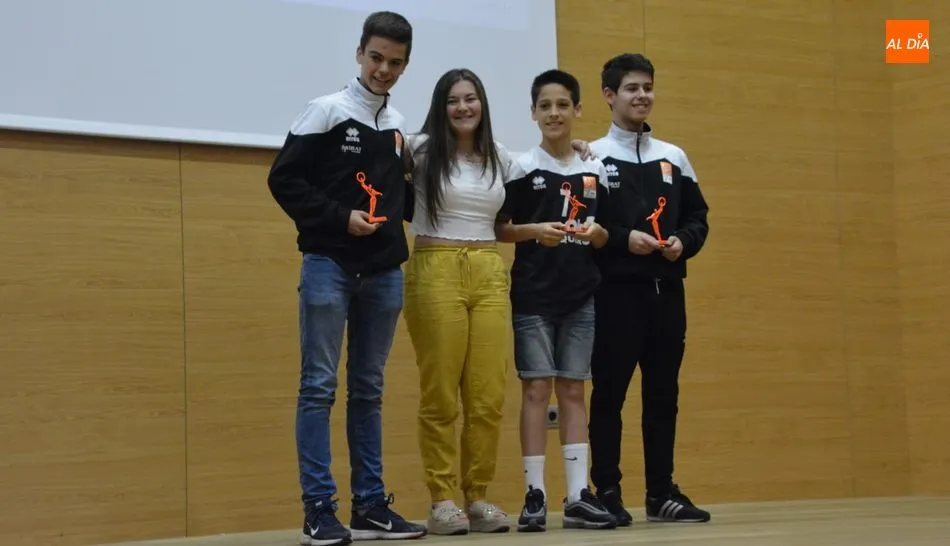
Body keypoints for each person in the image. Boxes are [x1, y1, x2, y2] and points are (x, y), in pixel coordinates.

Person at [403, 68, 594, 536]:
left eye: (470, 98)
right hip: (436, 267)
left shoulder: (501, 158)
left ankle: (477, 496)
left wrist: (580, 147)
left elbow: (548, 169)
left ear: (482, 105)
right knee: (441, 393)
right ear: (440, 106)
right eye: (453, 100)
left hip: (488, 271)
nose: (462, 107)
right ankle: (442, 499)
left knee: (487, 396)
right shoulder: (419, 149)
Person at [266, 11, 427, 546]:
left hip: (384, 274)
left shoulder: (397, 126)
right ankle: (318, 509)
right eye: (376, 57)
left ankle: (370, 506)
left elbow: (405, 197)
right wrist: (340, 219)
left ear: (405, 65)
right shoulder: (326, 111)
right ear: (360, 53)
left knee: (369, 390)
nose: (383, 69)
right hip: (328, 267)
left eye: (395, 62)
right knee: (318, 387)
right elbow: (283, 179)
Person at [586, 52, 712, 526]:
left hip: (667, 295)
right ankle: (607, 490)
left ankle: (661, 492)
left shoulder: (673, 157)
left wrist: (684, 242)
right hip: (615, 294)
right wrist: (624, 240)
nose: (642, 96)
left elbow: (698, 217)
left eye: (647, 87)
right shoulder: (593, 156)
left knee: (662, 395)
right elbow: (586, 222)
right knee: (609, 395)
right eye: (632, 88)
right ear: (609, 95)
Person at [494, 69, 618, 532]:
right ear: (532, 113)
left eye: (563, 104)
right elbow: (500, 228)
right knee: (535, 390)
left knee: (572, 390)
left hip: (580, 296)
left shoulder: (594, 168)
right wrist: (534, 232)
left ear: (577, 110)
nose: (554, 113)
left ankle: (578, 495)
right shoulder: (521, 167)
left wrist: (598, 234)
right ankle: (535, 495)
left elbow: (605, 235)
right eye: (544, 106)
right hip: (533, 296)